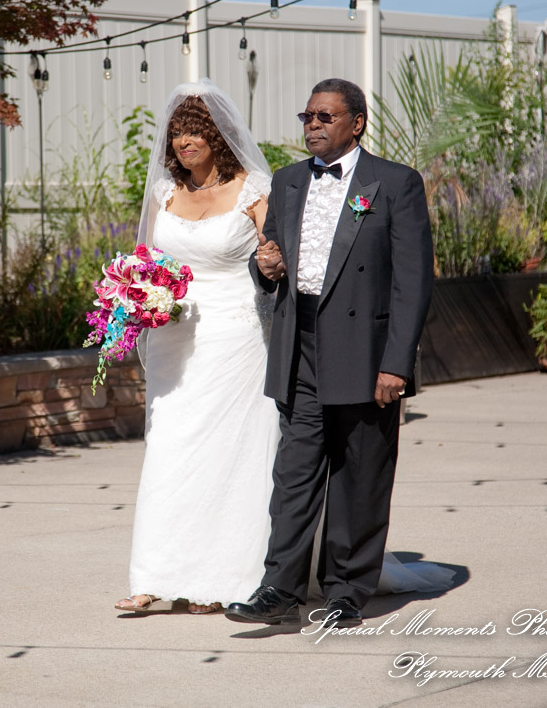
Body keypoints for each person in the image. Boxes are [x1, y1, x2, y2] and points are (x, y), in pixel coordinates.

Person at [225, 78, 440, 629]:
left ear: (356, 123)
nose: (313, 125)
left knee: (359, 474)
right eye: (307, 116)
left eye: (325, 116)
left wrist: (396, 364)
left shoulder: (394, 183)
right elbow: (269, 263)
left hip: (367, 353)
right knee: (293, 474)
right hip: (301, 347)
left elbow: (412, 283)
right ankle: (280, 587)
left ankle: (347, 589)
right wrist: (264, 269)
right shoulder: (289, 181)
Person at [113, 79, 280, 615]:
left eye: (195, 131)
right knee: (171, 450)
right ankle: (153, 576)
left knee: (233, 454)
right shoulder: (165, 192)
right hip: (173, 337)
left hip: (236, 335)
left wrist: (273, 261)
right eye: (177, 133)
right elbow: (149, 259)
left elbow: (278, 254)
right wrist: (137, 292)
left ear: (218, 136)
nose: (184, 141)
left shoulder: (253, 188)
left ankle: (221, 578)